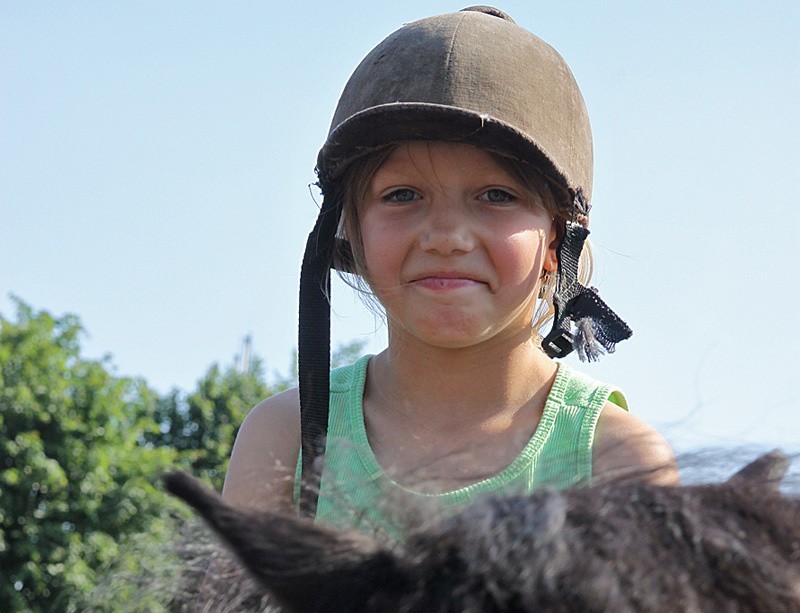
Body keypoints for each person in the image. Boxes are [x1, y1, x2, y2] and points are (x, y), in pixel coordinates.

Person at [221, 6, 678, 539]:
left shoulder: (616, 460)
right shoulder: (284, 438)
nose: (446, 237)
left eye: (496, 196)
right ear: (353, 228)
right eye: (403, 195)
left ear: (558, 237)